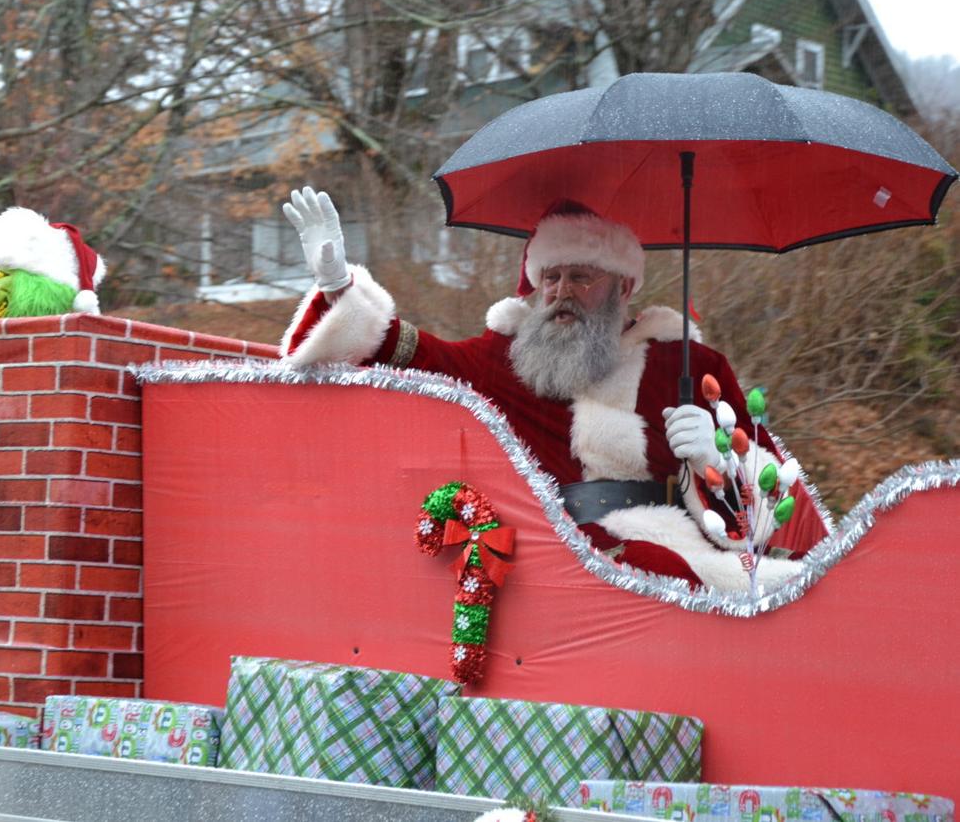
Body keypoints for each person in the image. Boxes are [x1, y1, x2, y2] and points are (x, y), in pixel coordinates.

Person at [278, 186, 824, 592]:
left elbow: (771, 514)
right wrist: (337, 286)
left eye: (582, 277)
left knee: (732, 585)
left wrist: (712, 457)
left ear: (624, 287)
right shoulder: (505, 360)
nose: (562, 292)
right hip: (548, 561)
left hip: (672, 554)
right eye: (552, 278)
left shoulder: (689, 364)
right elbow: (410, 353)